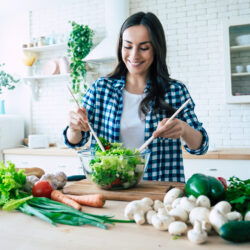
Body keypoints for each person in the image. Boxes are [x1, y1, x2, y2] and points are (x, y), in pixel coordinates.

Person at [63, 12, 209, 183]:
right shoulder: (101, 88)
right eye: (128, 46)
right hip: (110, 190)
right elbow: (76, 142)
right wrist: (74, 128)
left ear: (156, 48)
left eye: (144, 47)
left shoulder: (175, 91)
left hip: (159, 192)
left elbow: (201, 147)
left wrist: (184, 129)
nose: (134, 55)